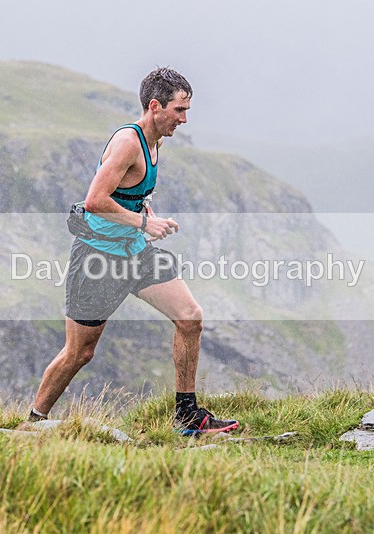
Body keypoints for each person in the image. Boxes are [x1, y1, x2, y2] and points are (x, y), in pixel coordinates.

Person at [28, 67, 239, 435]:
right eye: (178, 110)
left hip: (134, 254)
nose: (184, 119)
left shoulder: (156, 141)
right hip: (97, 259)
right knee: (80, 353)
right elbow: (95, 200)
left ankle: (187, 418)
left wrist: (147, 213)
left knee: (190, 317)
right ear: (155, 106)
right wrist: (144, 224)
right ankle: (32, 423)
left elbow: (129, 192)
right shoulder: (129, 141)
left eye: (187, 110)